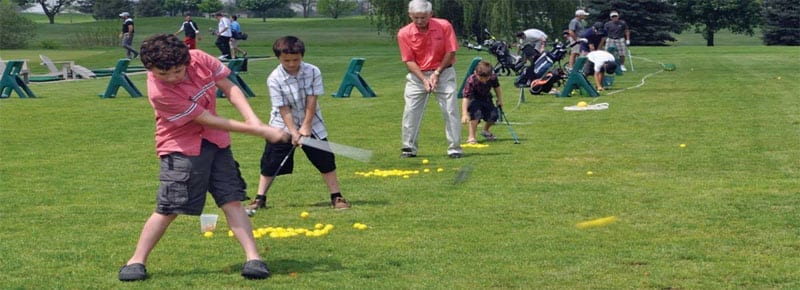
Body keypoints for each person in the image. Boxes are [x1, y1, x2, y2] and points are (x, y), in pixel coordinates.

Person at [117, 34, 287, 282]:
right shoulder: (159, 92)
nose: (172, 78)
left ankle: (254, 258)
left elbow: (229, 87)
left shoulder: (199, 59)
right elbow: (205, 118)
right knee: (169, 208)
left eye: (177, 70)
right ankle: (136, 261)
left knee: (232, 200)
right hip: (181, 148)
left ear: (186, 60)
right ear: (150, 69)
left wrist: (253, 119)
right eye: (164, 74)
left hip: (217, 143)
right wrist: (258, 130)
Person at [245, 36, 350, 214]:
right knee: (270, 163)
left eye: (296, 59)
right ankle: (260, 198)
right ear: (278, 58)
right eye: (287, 60)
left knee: (325, 160)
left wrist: (306, 126)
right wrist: (294, 132)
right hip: (281, 125)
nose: (292, 64)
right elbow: (283, 108)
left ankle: (336, 196)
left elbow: (312, 99)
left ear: (302, 56)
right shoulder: (274, 78)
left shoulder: (313, 71)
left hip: (313, 123)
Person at [397, 0, 463, 159]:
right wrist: (424, 79)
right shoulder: (404, 33)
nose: (419, 21)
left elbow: (450, 52)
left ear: (431, 14)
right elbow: (408, 60)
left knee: (450, 109)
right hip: (417, 75)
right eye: (416, 18)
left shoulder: (444, 26)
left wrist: (437, 73)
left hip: (444, 72)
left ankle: (454, 148)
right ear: (410, 15)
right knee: (411, 111)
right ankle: (409, 148)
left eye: (423, 17)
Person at [461, 61, 502, 145]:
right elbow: (466, 97)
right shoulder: (471, 80)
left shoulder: (493, 77)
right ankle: (471, 137)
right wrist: (464, 114)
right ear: (476, 73)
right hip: (474, 99)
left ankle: (485, 130)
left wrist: (499, 99)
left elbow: (497, 87)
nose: (484, 80)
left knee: (494, 116)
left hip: (486, 98)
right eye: (481, 78)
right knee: (475, 116)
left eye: (486, 78)